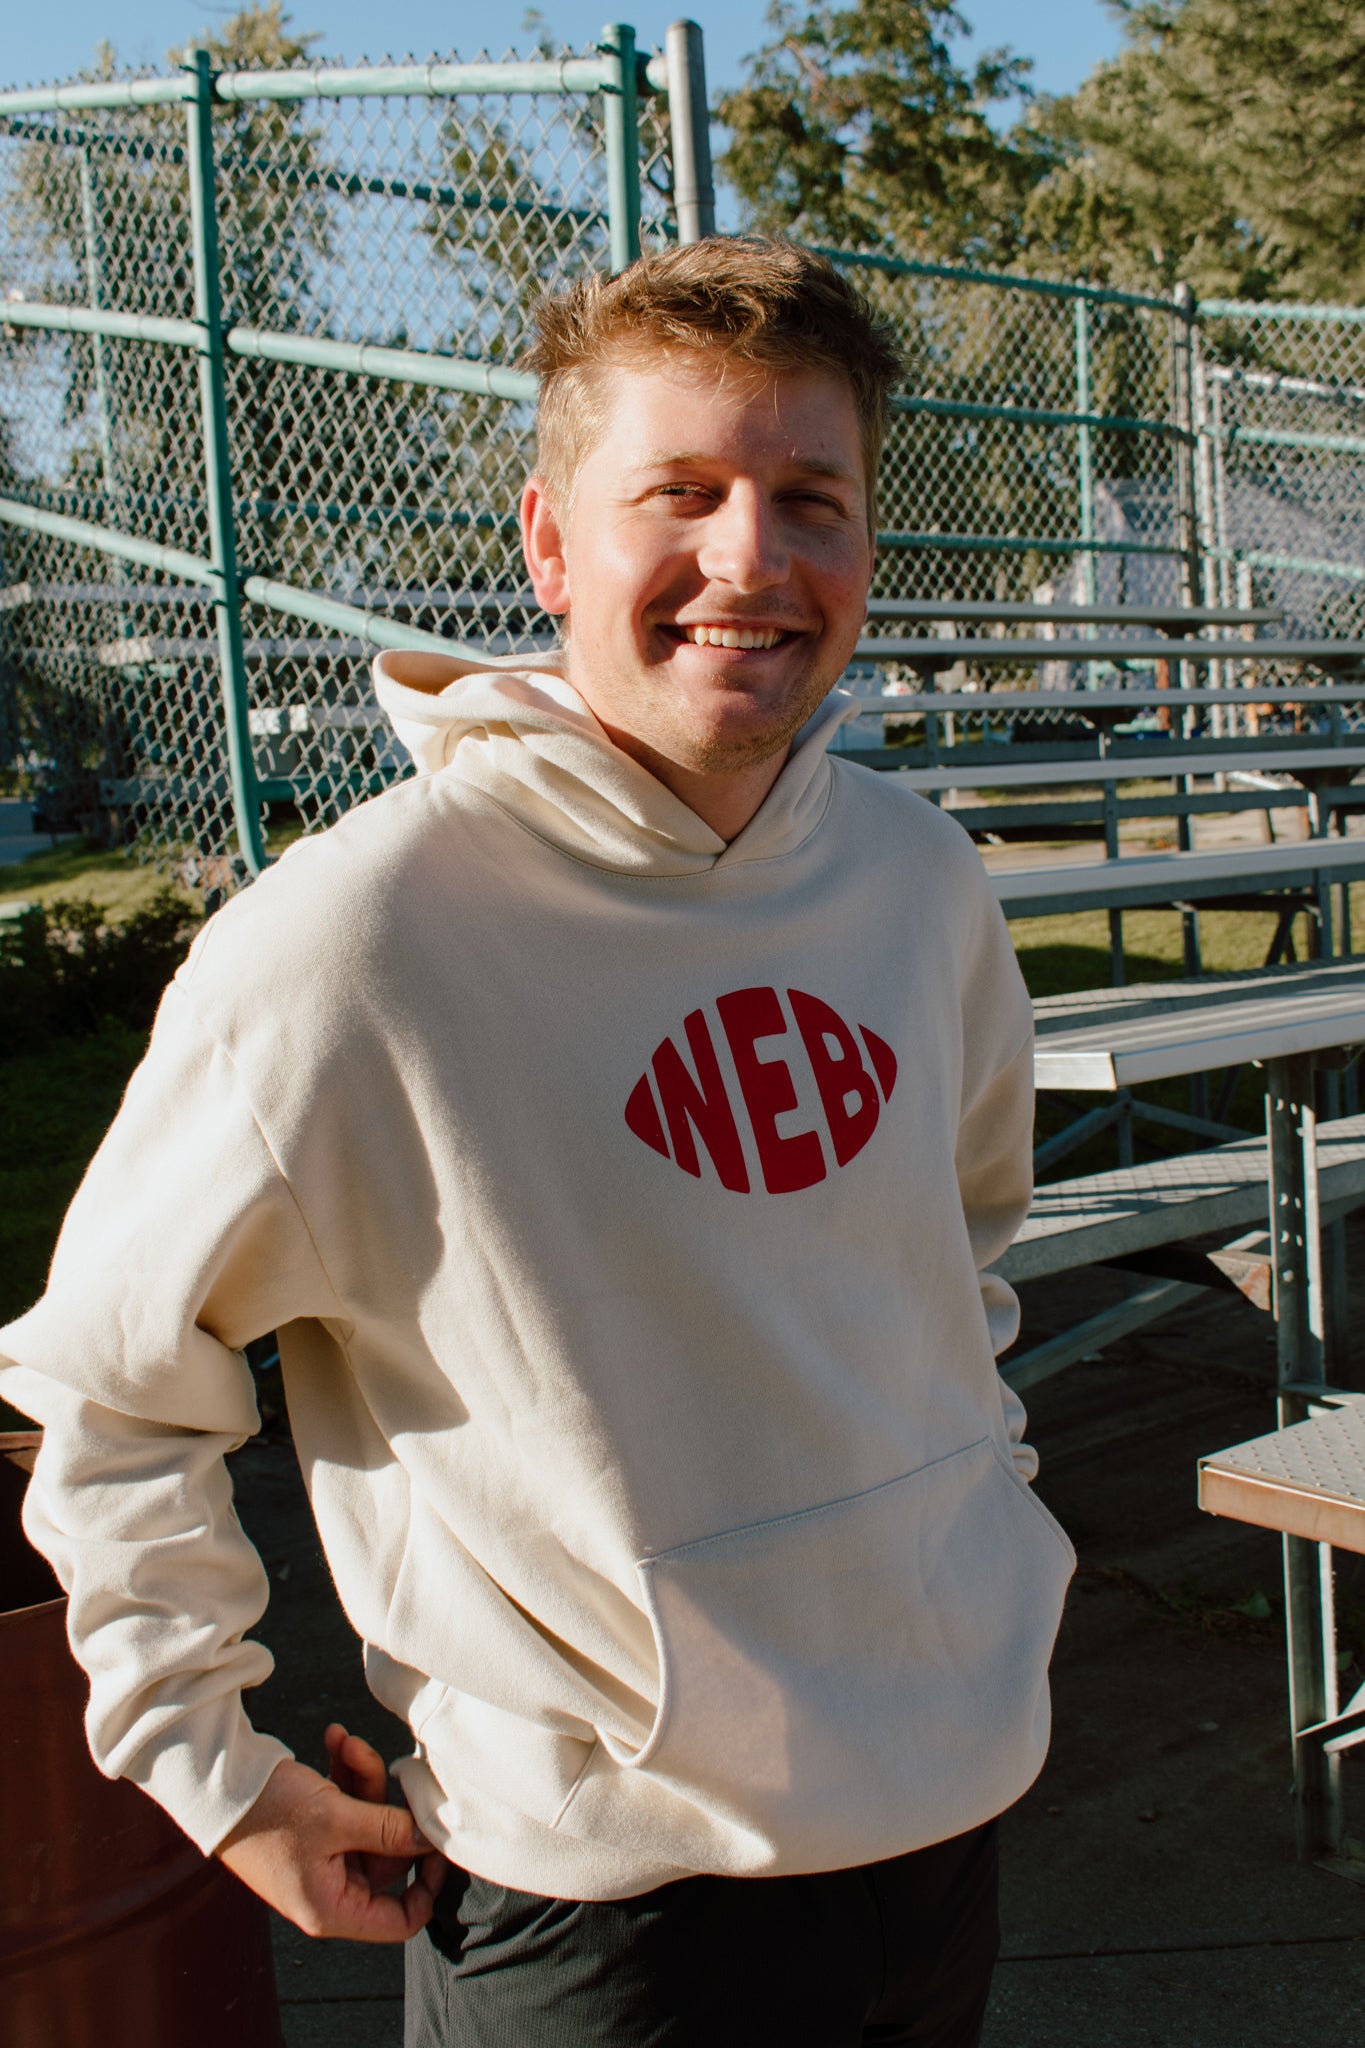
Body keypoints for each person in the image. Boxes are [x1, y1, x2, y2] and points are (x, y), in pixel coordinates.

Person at [0, 238, 1073, 2046]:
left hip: (944, 1816)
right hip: (599, 1913)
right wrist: (220, 1775)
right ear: (551, 546)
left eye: (809, 497)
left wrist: (975, 1536)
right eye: (683, 493)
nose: (752, 558)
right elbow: (107, 1391)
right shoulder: (355, 942)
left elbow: (950, 1269)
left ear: (867, 548)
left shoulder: (921, 883)